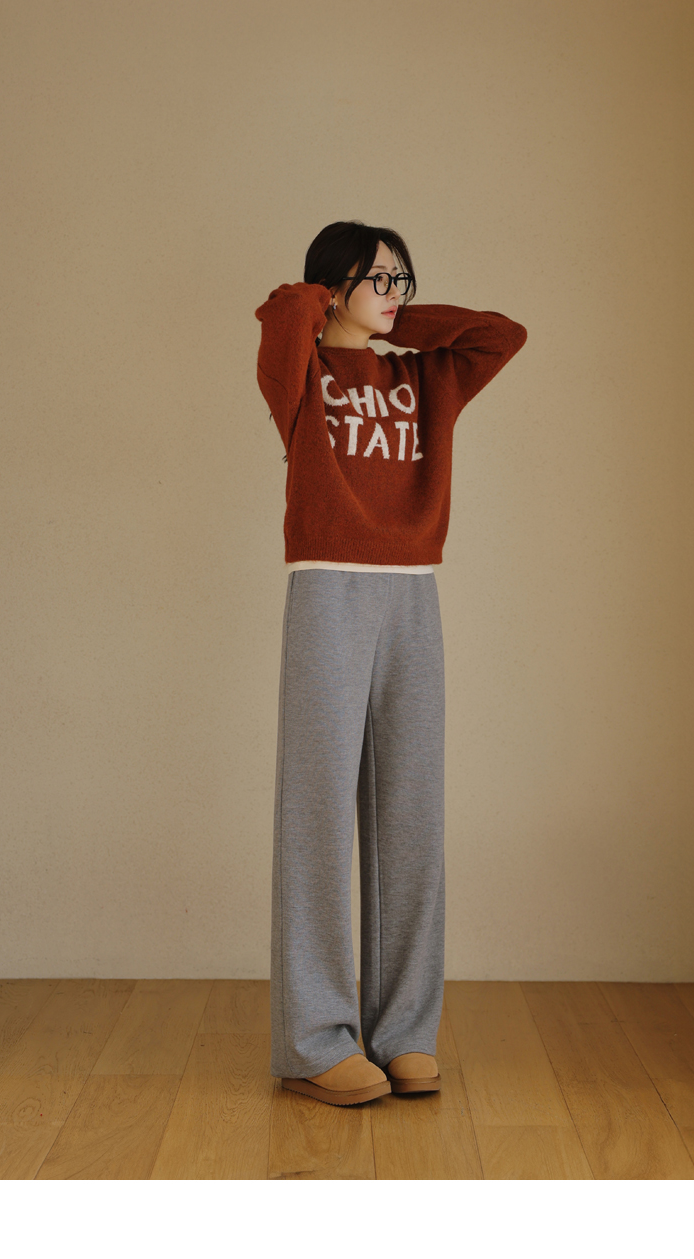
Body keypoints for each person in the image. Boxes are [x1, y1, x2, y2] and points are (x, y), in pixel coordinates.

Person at [254, 219, 528, 1107]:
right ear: (334, 284)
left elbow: (501, 335)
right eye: (379, 277)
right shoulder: (301, 374)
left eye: (403, 278)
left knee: (410, 812)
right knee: (318, 811)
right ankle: (313, 1040)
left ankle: (405, 1028)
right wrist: (329, 301)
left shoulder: (423, 374)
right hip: (327, 587)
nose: (396, 292)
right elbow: (281, 314)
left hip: (412, 592)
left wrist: (396, 317)